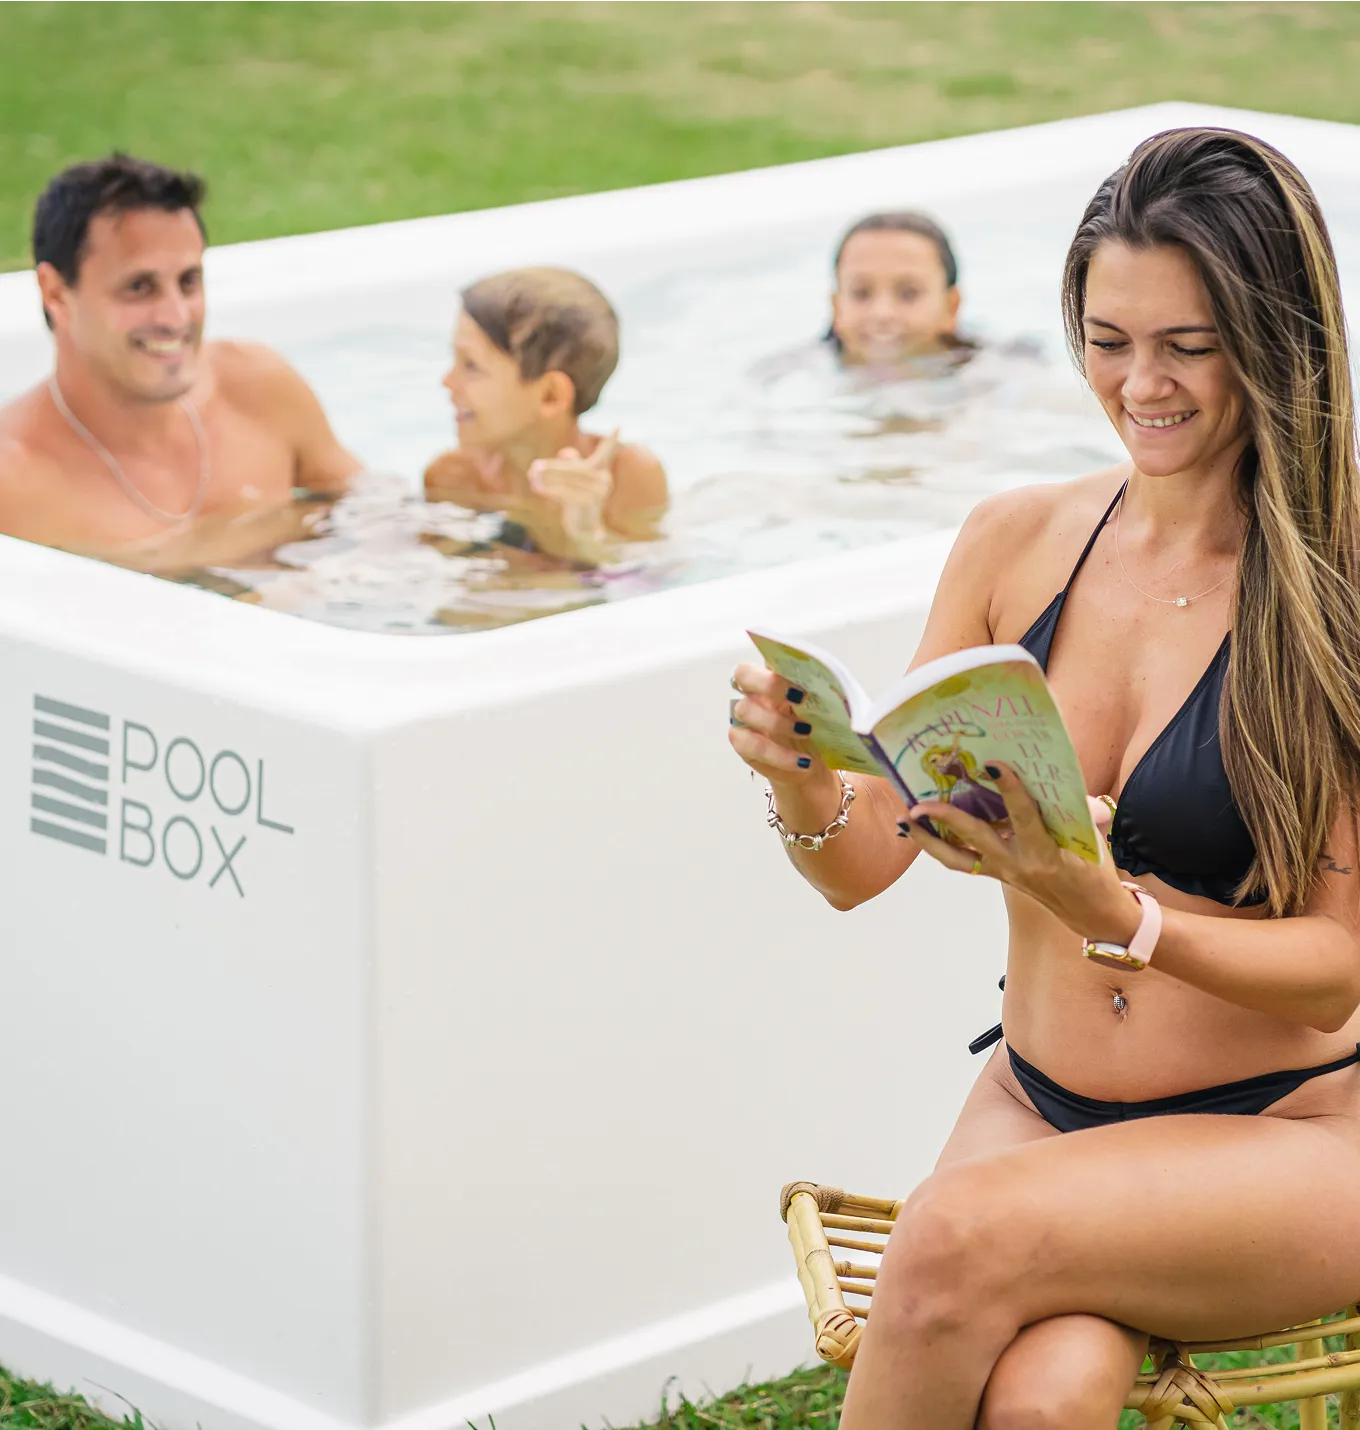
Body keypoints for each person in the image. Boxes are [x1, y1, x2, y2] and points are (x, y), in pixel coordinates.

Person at [729, 126, 1360, 1430]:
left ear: (1280, 337)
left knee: (946, 1242)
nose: (1142, 385)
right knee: (1047, 1389)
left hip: (1290, 1132)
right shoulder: (1015, 547)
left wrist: (1109, 911)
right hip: (1043, 1102)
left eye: (1188, 346)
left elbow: (1338, 971)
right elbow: (860, 865)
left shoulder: (1336, 589)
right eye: (1109, 339)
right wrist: (802, 782)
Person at [0, 154, 360, 574]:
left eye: (188, 281)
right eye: (139, 287)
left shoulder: (258, 387)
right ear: (56, 293)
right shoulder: (14, 481)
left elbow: (378, 519)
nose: (175, 317)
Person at [422, 266, 668, 565]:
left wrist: (586, 532)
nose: (447, 382)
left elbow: (652, 584)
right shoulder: (455, 478)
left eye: (471, 366)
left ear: (550, 395)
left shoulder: (628, 476)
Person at [825, 211, 973, 370]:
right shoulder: (805, 370)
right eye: (861, 293)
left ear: (951, 306)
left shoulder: (987, 373)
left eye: (909, 294)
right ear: (836, 307)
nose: (882, 314)